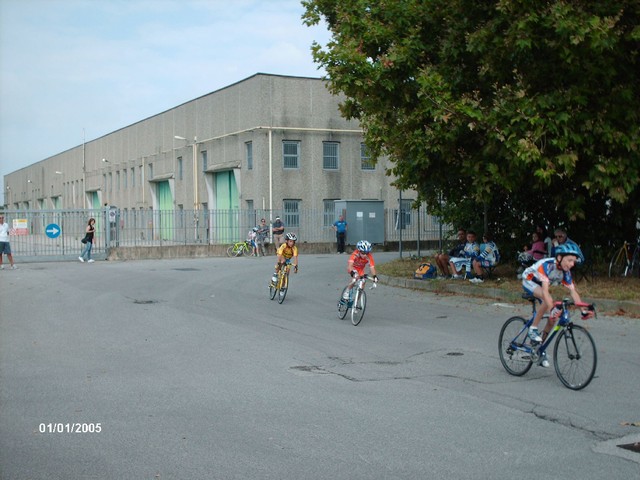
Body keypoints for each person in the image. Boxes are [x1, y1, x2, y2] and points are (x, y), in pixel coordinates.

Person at [521, 243, 592, 367]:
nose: (572, 264)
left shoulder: (566, 272)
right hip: (529, 280)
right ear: (559, 257)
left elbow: (573, 292)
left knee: (552, 319)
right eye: (570, 260)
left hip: (541, 284)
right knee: (547, 300)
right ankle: (533, 329)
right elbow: (545, 291)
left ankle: (538, 349)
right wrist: (552, 308)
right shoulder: (547, 265)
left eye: (574, 261)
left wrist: (583, 310)